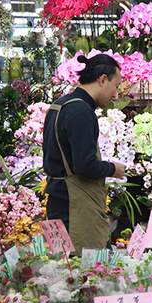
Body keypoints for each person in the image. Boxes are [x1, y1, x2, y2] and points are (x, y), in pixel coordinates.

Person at [43, 53, 126, 255]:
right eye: (115, 86)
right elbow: (84, 166)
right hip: (76, 209)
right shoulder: (81, 112)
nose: (115, 95)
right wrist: (113, 169)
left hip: (57, 201)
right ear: (102, 79)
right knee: (88, 271)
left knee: (63, 267)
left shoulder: (60, 105)